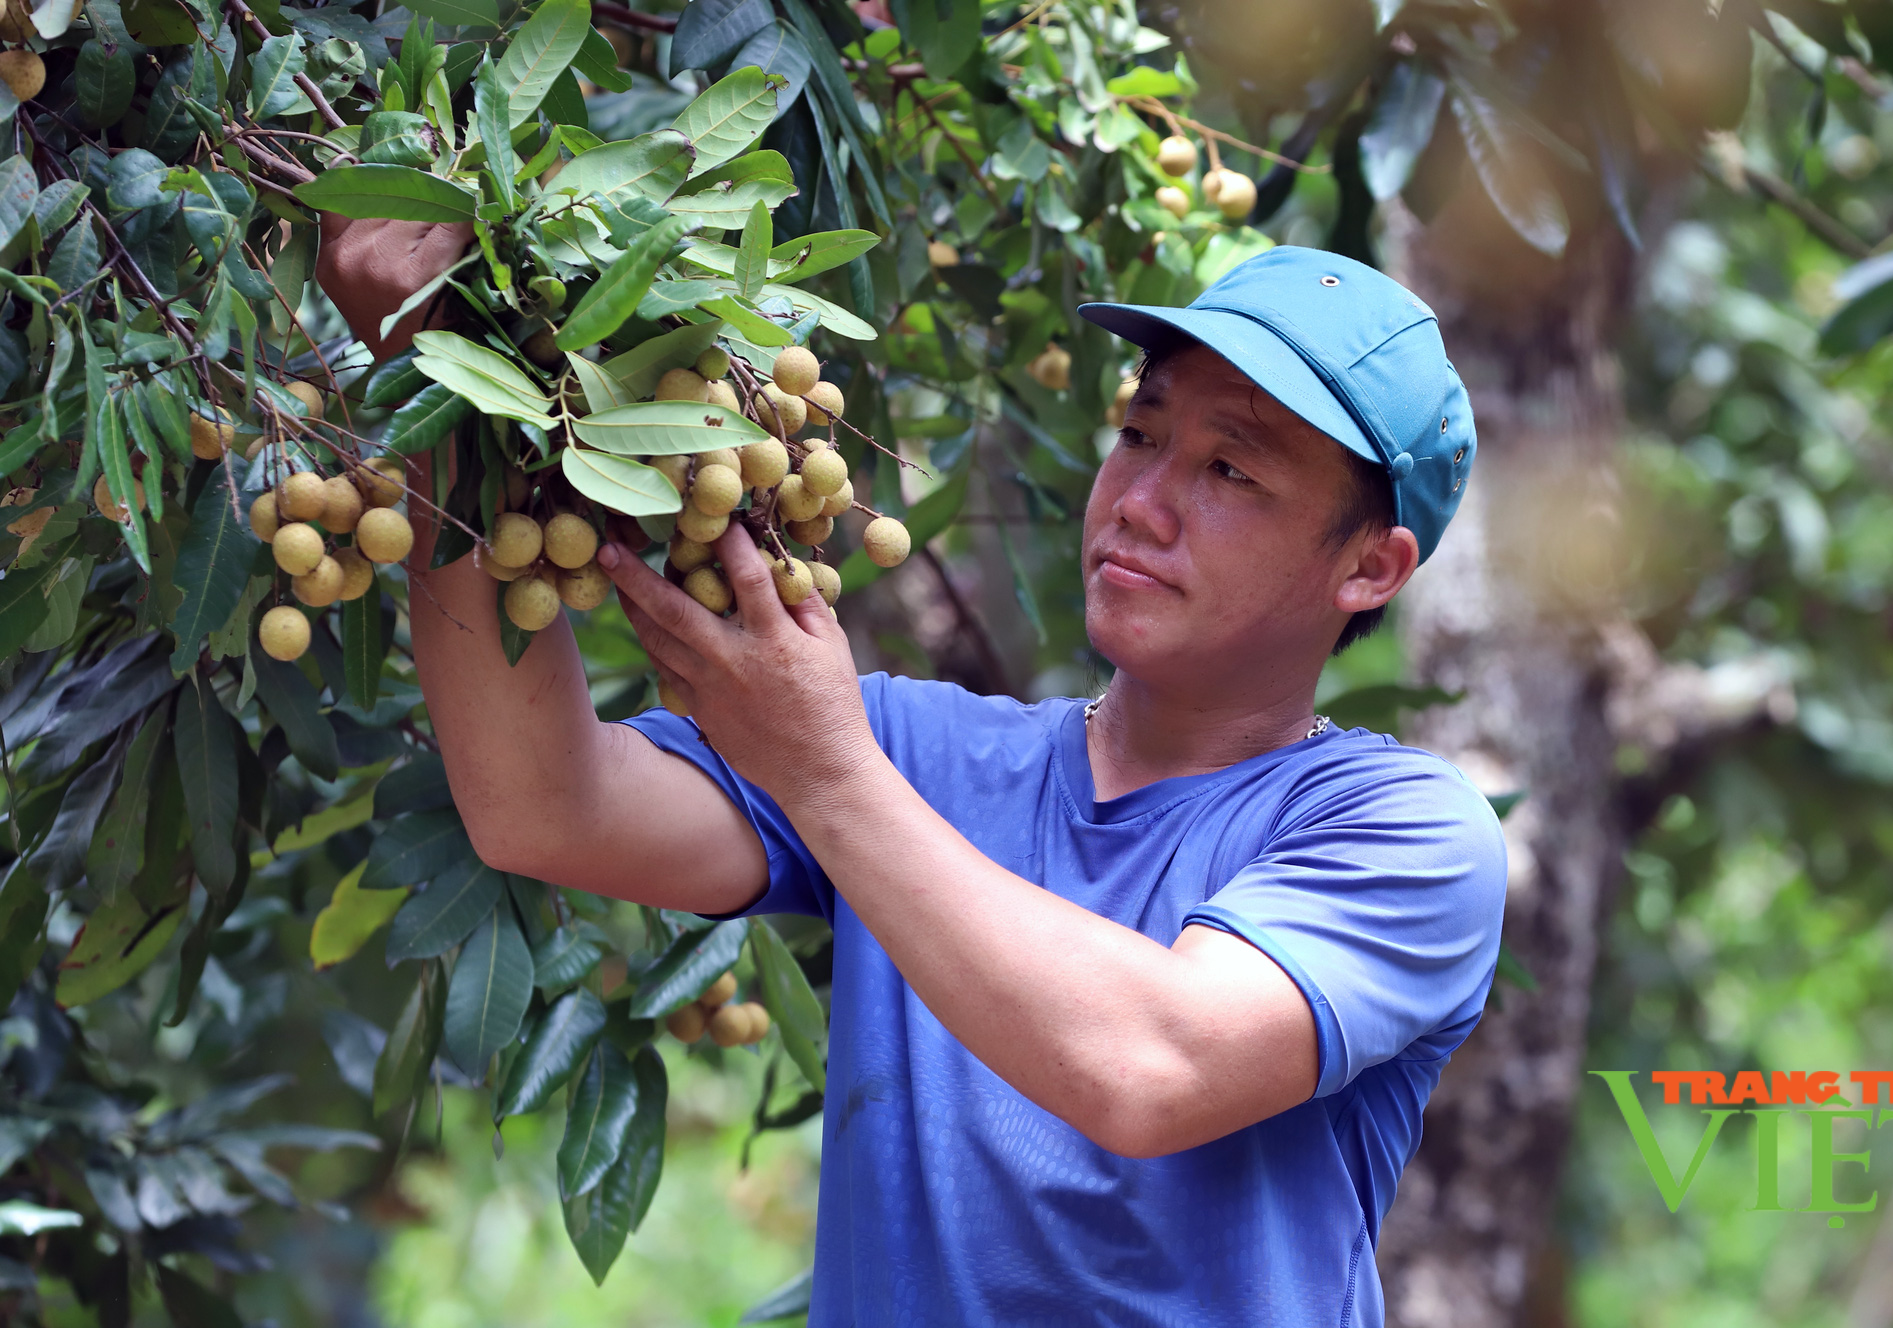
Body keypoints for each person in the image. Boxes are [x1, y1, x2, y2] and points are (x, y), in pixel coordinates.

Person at [318, 223, 1508, 1327]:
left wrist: (823, 770)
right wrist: (454, 394)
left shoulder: (1405, 832)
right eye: (1138, 434)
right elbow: (542, 804)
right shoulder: (914, 751)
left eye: (1229, 471)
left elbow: (1149, 1067)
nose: (1138, 502)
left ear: (1368, 566)